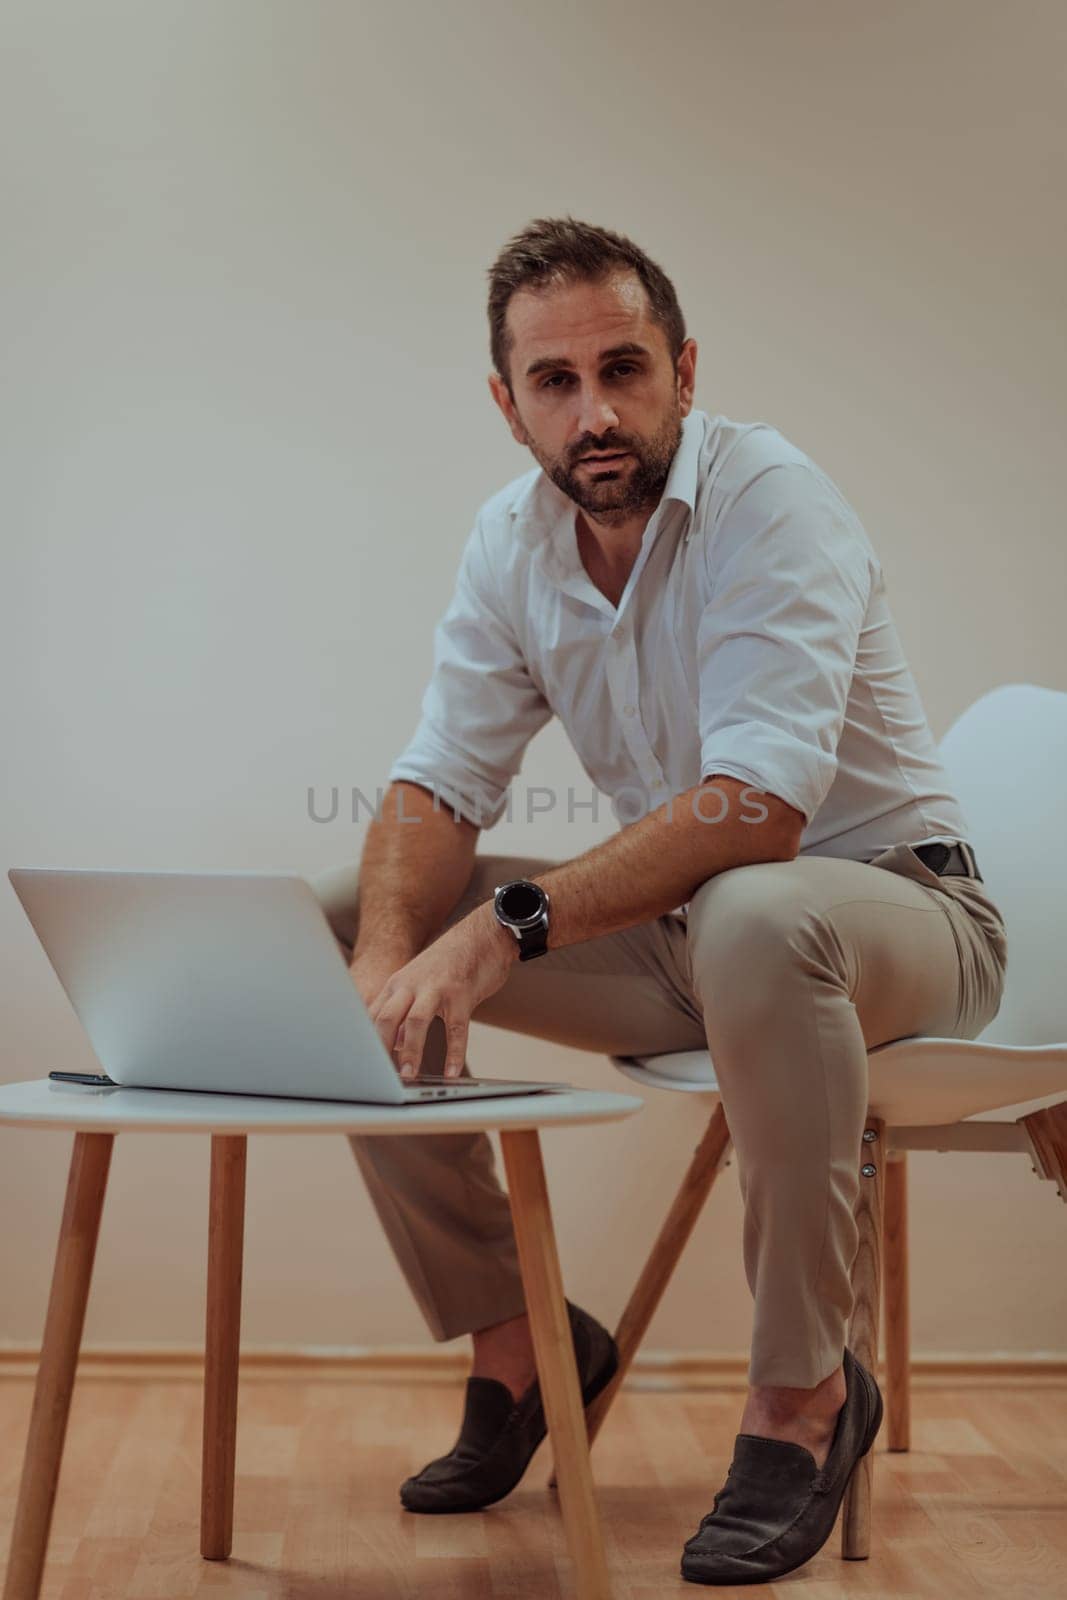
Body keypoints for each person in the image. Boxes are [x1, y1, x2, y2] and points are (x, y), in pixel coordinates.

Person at [311, 215, 1008, 1584]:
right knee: (346, 910)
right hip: (705, 935)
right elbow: (436, 785)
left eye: (624, 369)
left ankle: (805, 1400)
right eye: (556, 384)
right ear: (506, 404)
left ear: (685, 368)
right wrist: (390, 956)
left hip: (902, 920)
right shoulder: (510, 544)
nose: (597, 413)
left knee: (757, 909)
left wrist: (506, 930)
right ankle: (523, 1351)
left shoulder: (772, 501)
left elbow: (760, 809)